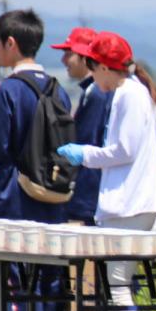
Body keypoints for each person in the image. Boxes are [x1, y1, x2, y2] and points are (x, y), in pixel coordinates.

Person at [56, 31, 156, 311]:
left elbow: (124, 150)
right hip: (127, 204)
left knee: (118, 288)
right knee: (117, 287)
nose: (92, 76)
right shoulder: (128, 92)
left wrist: (85, 155)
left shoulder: (128, 95)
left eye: (93, 68)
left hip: (131, 205)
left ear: (103, 67)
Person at [0, 9, 71, 311]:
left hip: (14, 196)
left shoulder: (8, 91)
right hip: (53, 195)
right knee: (50, 278)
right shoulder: (57, 88)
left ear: (11, 43)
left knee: (16, 281)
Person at [51, 27, 114, 226]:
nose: (63, 60)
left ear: (85, 56)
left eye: (68, 53)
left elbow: (90, 144)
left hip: (91, 195)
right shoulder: (92, 91)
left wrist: (82, 201)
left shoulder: (97, 94)